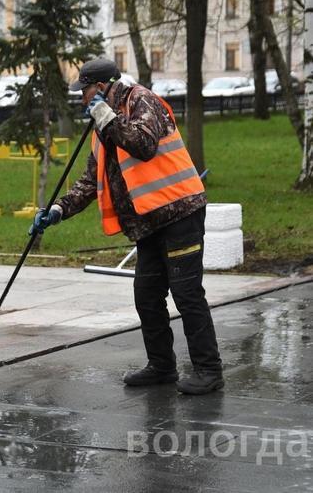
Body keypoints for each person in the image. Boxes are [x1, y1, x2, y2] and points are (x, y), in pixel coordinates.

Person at [30, 58, 223, 395]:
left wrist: (104, 115)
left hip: (180, 213)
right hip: (149, 222)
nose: (81, 98)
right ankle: (162, 366)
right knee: (146, 295)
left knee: (187, 293)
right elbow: (92, 179)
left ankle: (209, 370)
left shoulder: (141, 101)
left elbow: (143, 144)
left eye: (84, 90)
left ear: (101, 87)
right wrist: (59, 209)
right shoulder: (102, 125)